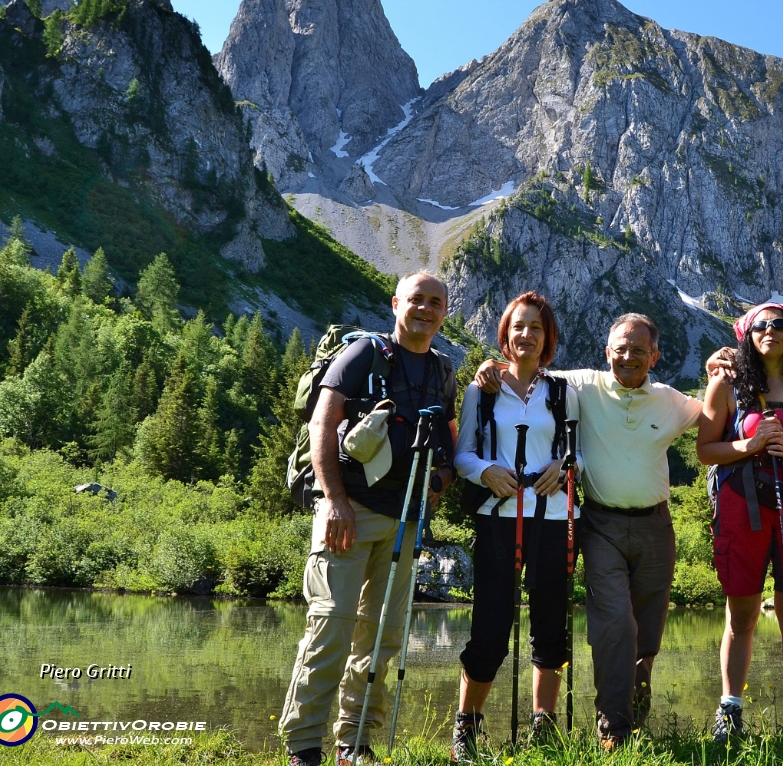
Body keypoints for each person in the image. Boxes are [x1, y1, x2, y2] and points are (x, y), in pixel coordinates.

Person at [477, 313, 701, 748]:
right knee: (614, 623)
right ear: (607, 351)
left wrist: (721, 372)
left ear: (654, 356)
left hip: (658, 526)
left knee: (647, 630)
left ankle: (636, 713)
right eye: (620, 347)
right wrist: (494, 365)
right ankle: (613, 730)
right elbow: (528, 366)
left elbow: (712, 413)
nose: (628, 356)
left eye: (639, 349)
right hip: (600, 525)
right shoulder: (581, 383)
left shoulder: (672, 400)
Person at [279, 273, 458, 766]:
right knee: (330, 627)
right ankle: (304, 746)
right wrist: (333, 499)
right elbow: (323, 421)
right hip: (347, 512)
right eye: (416, 300)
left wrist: (439, 483)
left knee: (382, 635)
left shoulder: (444, 371)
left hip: (404, 520)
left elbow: (449, 440)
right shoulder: (364, 354)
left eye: (435, 303)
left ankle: (355, 743)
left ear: (445, 312)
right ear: (396, 303)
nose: (425, 309)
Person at [450, 292, 581, 760]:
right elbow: (462, 452)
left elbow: (577, 452)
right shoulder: (480, 390)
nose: (527, 334)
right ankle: (466, 730)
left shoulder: (563, 392)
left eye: (536, 328)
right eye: (518, 326)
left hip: (551, 519)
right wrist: (485, 471)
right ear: (505, 333)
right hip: (497, 520)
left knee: (551, 626)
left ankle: (544, 730)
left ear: (548, 339)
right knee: (490, 628)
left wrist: (565, 466)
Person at [697, 303, 783, 742]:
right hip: (743, 503)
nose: (770, 330)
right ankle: (729, 710)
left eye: (780, 324)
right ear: (747, 333)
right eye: (761, 325)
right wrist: (749, 444)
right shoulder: (726, 382)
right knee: (742, 615)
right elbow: (706, 450)